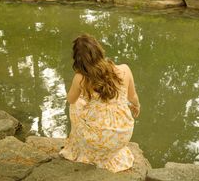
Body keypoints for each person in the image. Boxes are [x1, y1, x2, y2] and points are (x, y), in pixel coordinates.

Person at [59, 34, 140, 173]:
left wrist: (84, 93)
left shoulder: (81, 78)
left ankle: (80, 147)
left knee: (77, 103)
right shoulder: (124, 69)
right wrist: (137, 106)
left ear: (78, 60)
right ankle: (111, 152)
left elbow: (70, 100)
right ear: (99, 51)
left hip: (95, 142)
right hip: (121, 136)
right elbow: (132, 96)